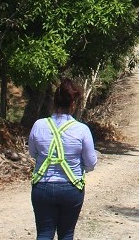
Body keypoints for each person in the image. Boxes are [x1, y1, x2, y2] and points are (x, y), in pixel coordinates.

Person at [28, 78, 98, 240]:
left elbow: (33, 153)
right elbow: (90, 163)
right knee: (66, 234)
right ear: (73, 105)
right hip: (71, 189)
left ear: (54, 102)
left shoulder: (38, 125)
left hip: (42, 187)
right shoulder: (82, 130)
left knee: (44, 234)